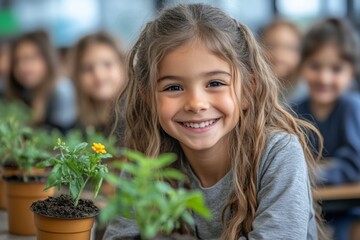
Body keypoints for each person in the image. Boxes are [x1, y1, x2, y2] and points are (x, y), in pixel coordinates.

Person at [105, 4, 326, 240]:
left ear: (248, 90)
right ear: (148, 97)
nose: (196, 103)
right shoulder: (147, 162)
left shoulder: (278, 151)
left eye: (215, 83)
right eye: (174, 87)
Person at [293, 18, 360, 240]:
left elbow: (355, 163)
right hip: (310, 204)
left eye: (336, 69)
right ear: (302, 66)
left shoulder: (351, 107)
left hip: (348, 207)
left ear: (352, 71)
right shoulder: (294, 111)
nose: (324, 77)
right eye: (315, 66)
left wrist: (314, 172)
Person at [7, 30, 76, 133]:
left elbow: (60, 140)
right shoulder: (25, 91)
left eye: (31, 58)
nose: (23, 66)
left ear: (48, 58)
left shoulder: (62, 90)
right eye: (17, 61)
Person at [71, 32, 126, 135]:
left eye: (107, 64)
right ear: (76, 76)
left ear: (123, 65)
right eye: (87, 68)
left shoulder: (136, 120)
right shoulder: (80, 124)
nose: (99, 75)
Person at [260, 19, 306, 104]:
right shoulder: (253, 91)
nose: (279, 54)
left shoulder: (306, 92)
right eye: (271, 46)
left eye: (289, 48)